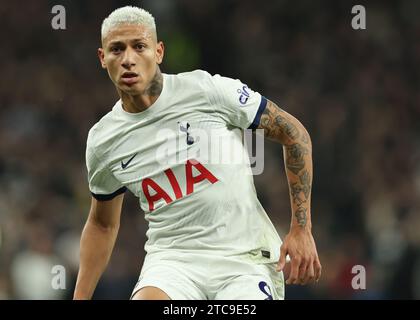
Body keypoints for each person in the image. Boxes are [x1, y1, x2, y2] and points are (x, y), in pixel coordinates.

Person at [73, 6, 321, 300]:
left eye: (139, 46)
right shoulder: (104, 140)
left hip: (244, 260)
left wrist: (301, 229)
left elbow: (293, 133)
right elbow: (102, 223)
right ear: (103, 58)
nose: (128, 59)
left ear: (159, 51)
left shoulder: (207, 91)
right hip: (173, 264)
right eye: (116, 49)